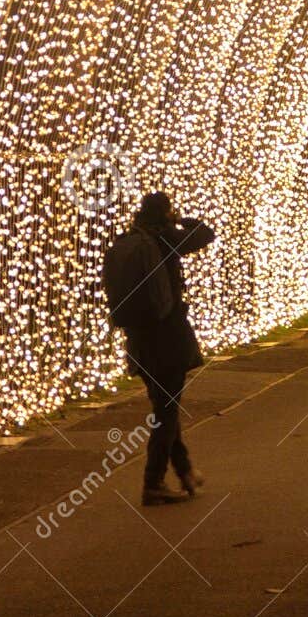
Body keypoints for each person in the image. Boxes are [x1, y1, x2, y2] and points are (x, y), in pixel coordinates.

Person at [104, 190, 216, 505]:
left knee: (164, 408)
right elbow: (205, 233)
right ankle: (153, 482)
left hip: (139, 339)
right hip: (167, 337)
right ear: (165, 214)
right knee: (166, 412)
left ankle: (185, 472)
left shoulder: (130, 241)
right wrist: (179, 219)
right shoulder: (168, 240)